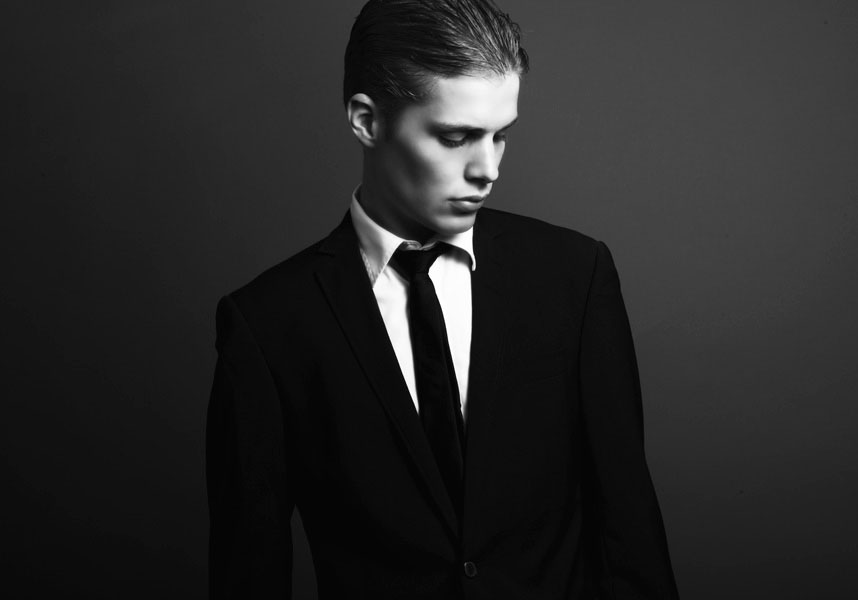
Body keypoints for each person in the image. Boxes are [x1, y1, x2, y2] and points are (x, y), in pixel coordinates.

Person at [206, 0, 679, 598]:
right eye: (456, 138)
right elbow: (248, 568)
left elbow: (630, 531)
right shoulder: (268, 324)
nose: (488, 170)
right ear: (366, 121)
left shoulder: (574, 276)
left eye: (501, 136)